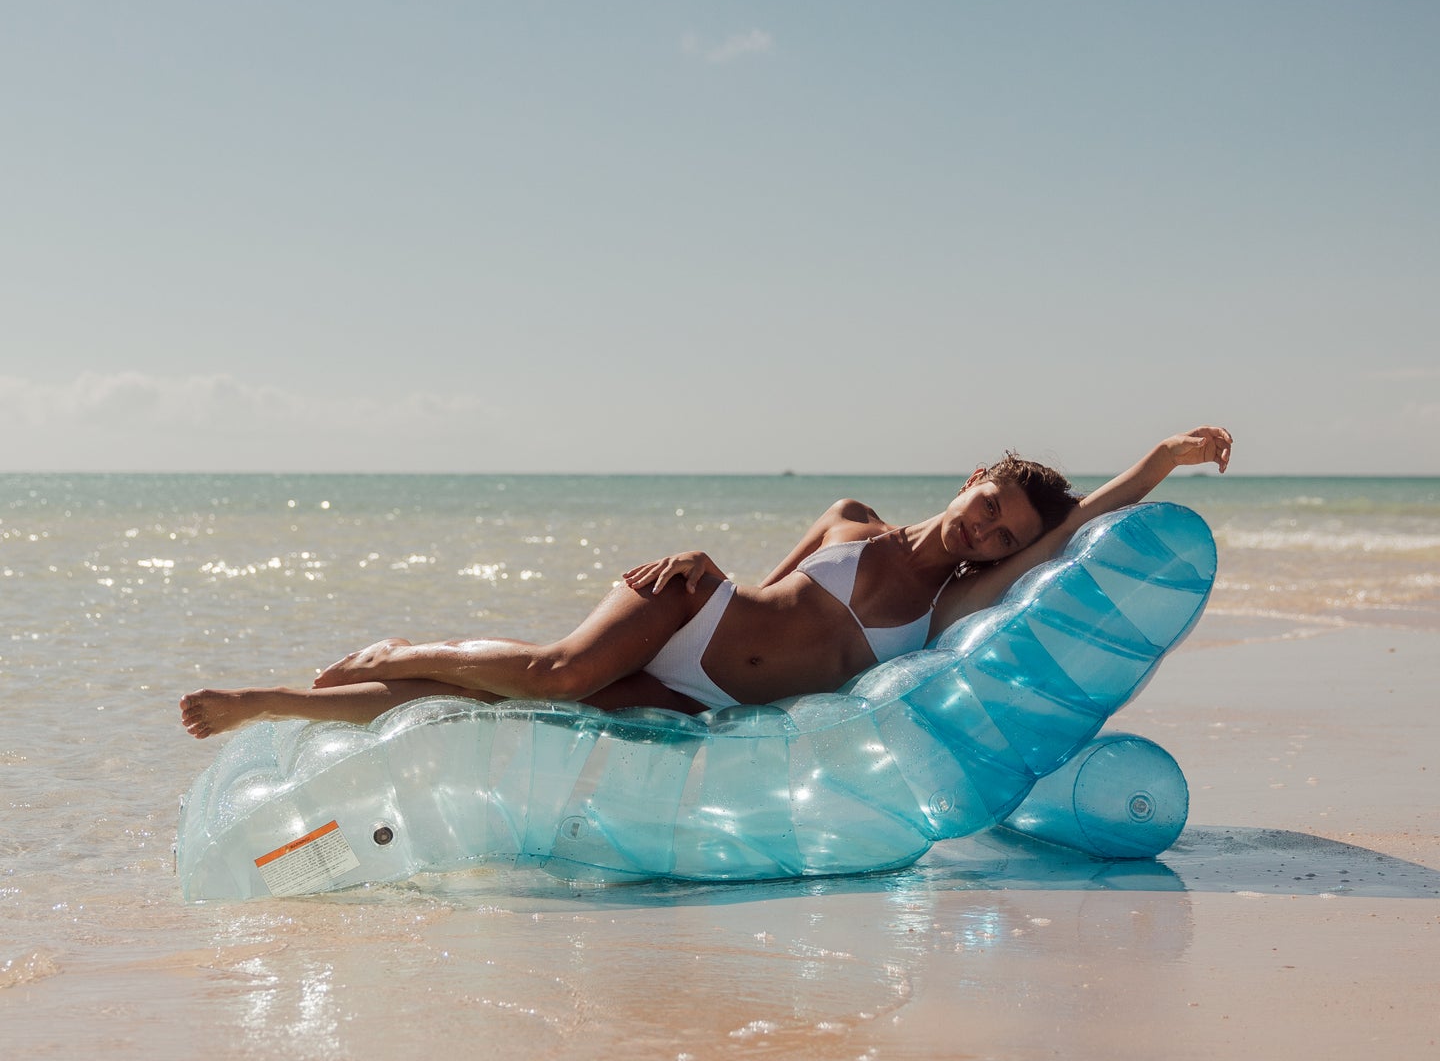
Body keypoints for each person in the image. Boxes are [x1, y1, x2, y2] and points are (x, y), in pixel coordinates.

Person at [179, 426, 1231, 739]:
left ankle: (273, 704)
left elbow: (1081, 525)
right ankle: (400, 649)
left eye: (1003, 534)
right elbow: (765, 592)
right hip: (689, 607)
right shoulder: (851, 517)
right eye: (989, 500)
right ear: (969, 478)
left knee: (487, 717)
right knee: (547, 674)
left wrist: (1158, 463)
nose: (988, 527)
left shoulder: (951, 606)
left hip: (706, 699)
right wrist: (698, 573)